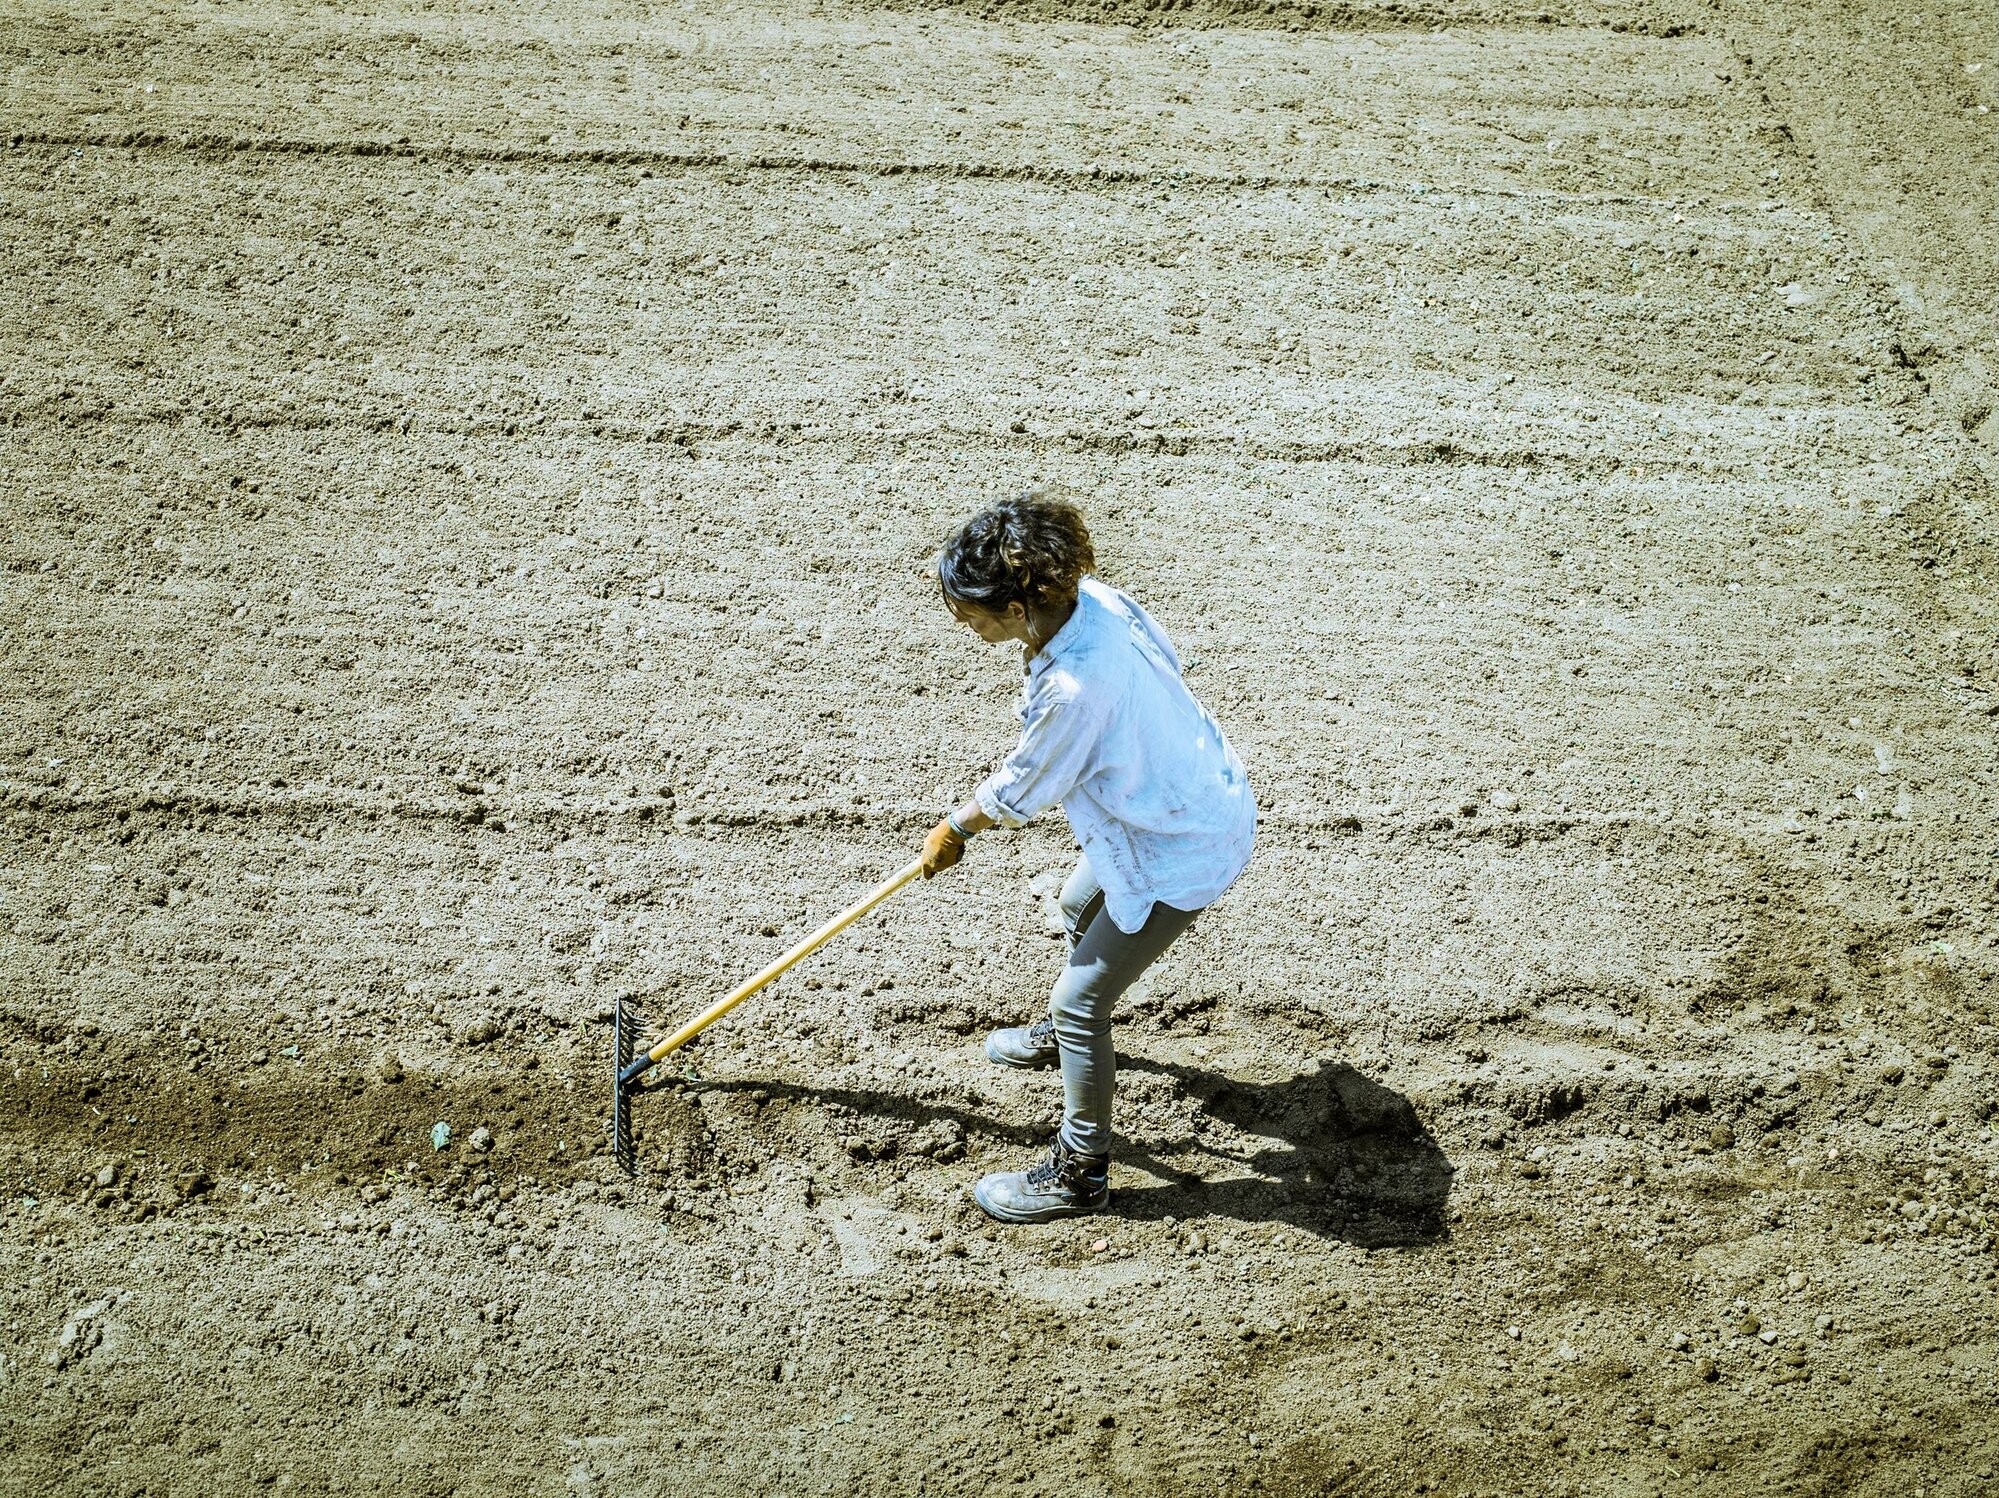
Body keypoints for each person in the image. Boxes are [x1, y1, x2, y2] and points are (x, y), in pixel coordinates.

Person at [920, 492, 1256, 1223]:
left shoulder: (1073, 689)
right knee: (1078, 904)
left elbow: (1024, 784)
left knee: (1078, 1003)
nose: (957, 620)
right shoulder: (1091, 600)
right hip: (1172, 800)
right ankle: (1068, 1042)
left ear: (1016, 608)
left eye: (968, 611)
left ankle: (1081, 1174)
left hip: (1181, 841)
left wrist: (955, 828)